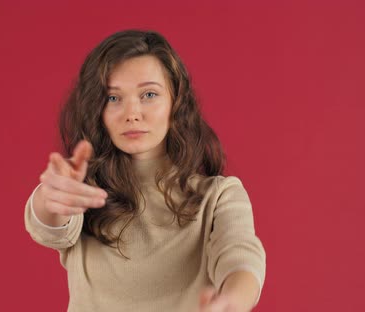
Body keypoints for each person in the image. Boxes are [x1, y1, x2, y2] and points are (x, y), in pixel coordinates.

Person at [24, 30, 266, 312]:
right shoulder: (85, 191)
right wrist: (52, 197)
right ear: (96, 110)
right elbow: (52, 224)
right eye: (113, 98)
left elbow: (240, 256)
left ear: (176, 102)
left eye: (149, 94)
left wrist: (232, 301)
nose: (132, 113)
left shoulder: (219, 196)